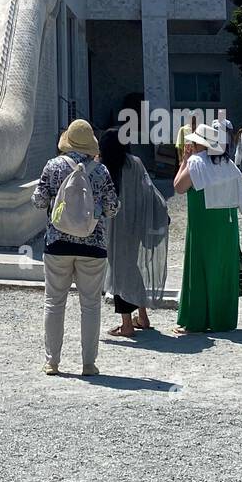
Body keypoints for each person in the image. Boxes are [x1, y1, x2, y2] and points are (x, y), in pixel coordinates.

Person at [31, 119, 119, 376]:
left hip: (57, 243)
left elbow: (38, 200)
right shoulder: (101, 171)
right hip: (93, 246)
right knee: (90, 305)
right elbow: (113, 207)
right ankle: (88, 364)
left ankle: (52, 362)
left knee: (54, 302)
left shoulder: (53, 166)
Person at [174, 121, 242, 334]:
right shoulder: (229, 164)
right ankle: (222, 319)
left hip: (203, 222)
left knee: (198, 269)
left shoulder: (196, 162)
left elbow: (178, 187)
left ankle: (196, 320)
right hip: (227, 223)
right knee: (223, 270)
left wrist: (184, 161)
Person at [99, 128, 169, 338]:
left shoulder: (106, 167)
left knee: (121, 271)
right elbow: (149, 190)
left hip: (115, 226)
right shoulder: (135, 163)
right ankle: (143, 315)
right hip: (136, 223)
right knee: (131, 265)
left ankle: (127, 324)